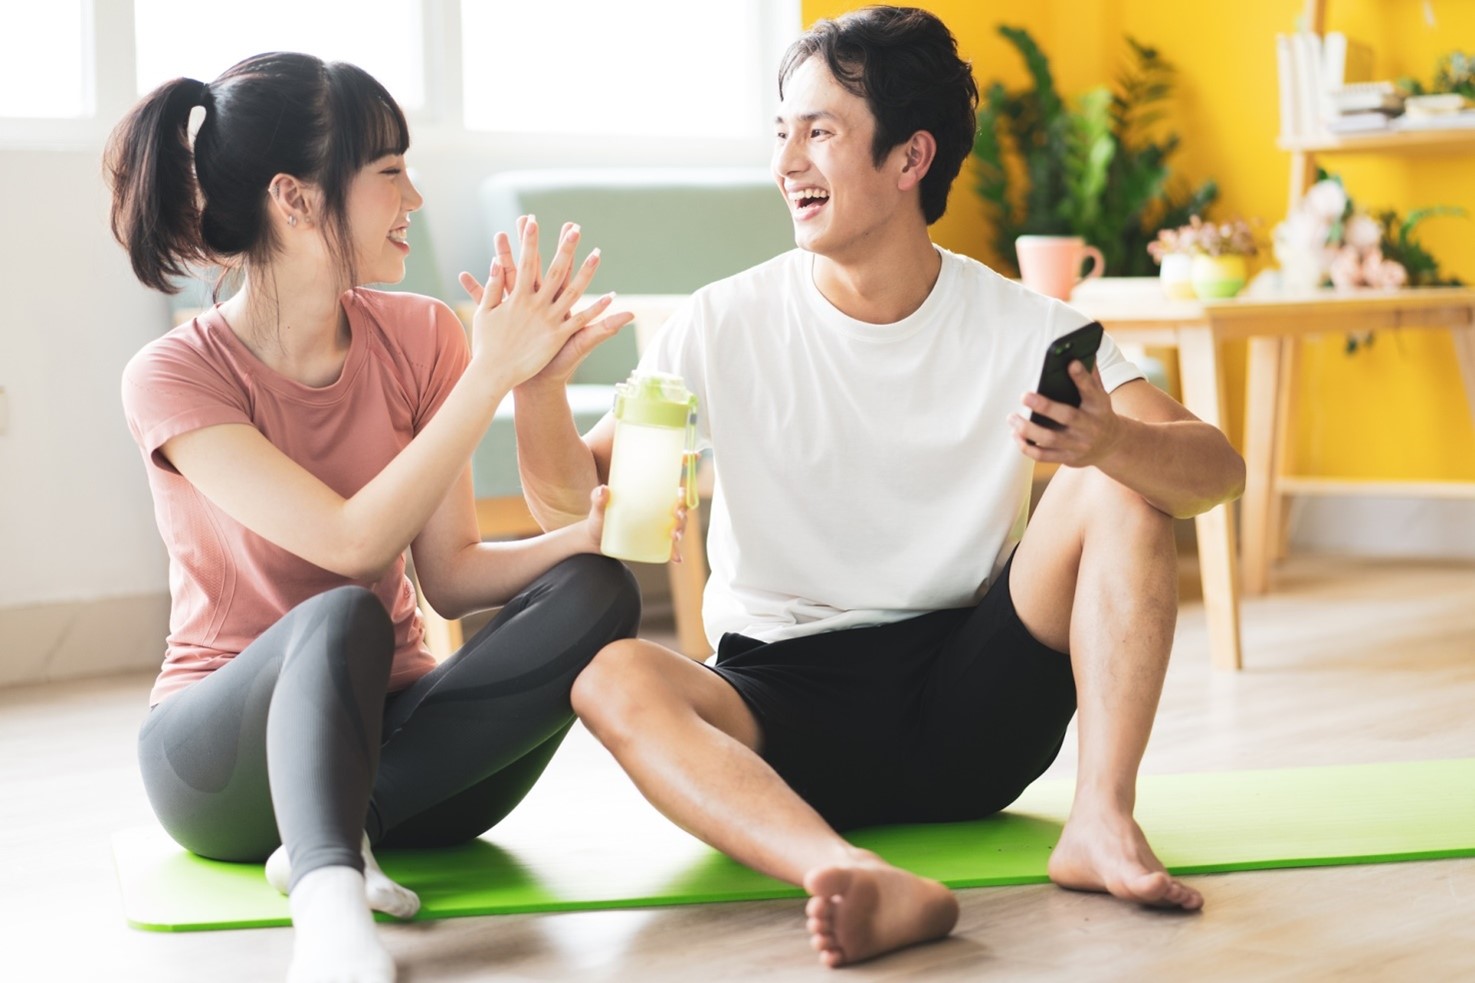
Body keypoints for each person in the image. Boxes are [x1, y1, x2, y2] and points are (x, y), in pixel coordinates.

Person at [507, 5, 1246, 970]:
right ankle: (842, 869)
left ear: (909, 159)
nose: (787, 163)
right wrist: (535, 389)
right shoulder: (721, 323)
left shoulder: (1025, 325)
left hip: (973, 698)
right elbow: (575, 507)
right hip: (782, 707)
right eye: (782, 133)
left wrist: (1104, 438)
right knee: (610, 675)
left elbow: (1214, 472)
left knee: (1121, 480)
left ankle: (1100, 823)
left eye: (819, 132)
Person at [108, 53, 652, 983]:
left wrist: (583, 538)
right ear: (293, 196)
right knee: (339, 609)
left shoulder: (421, 334)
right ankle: (326, 894)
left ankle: (347, 823)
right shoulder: (174, 374)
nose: (417, 197)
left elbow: (450, 575)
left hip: (406, 757)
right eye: (389, 171)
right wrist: (491, 376)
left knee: (598, 590)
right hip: (222, 767)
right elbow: (351, 543)